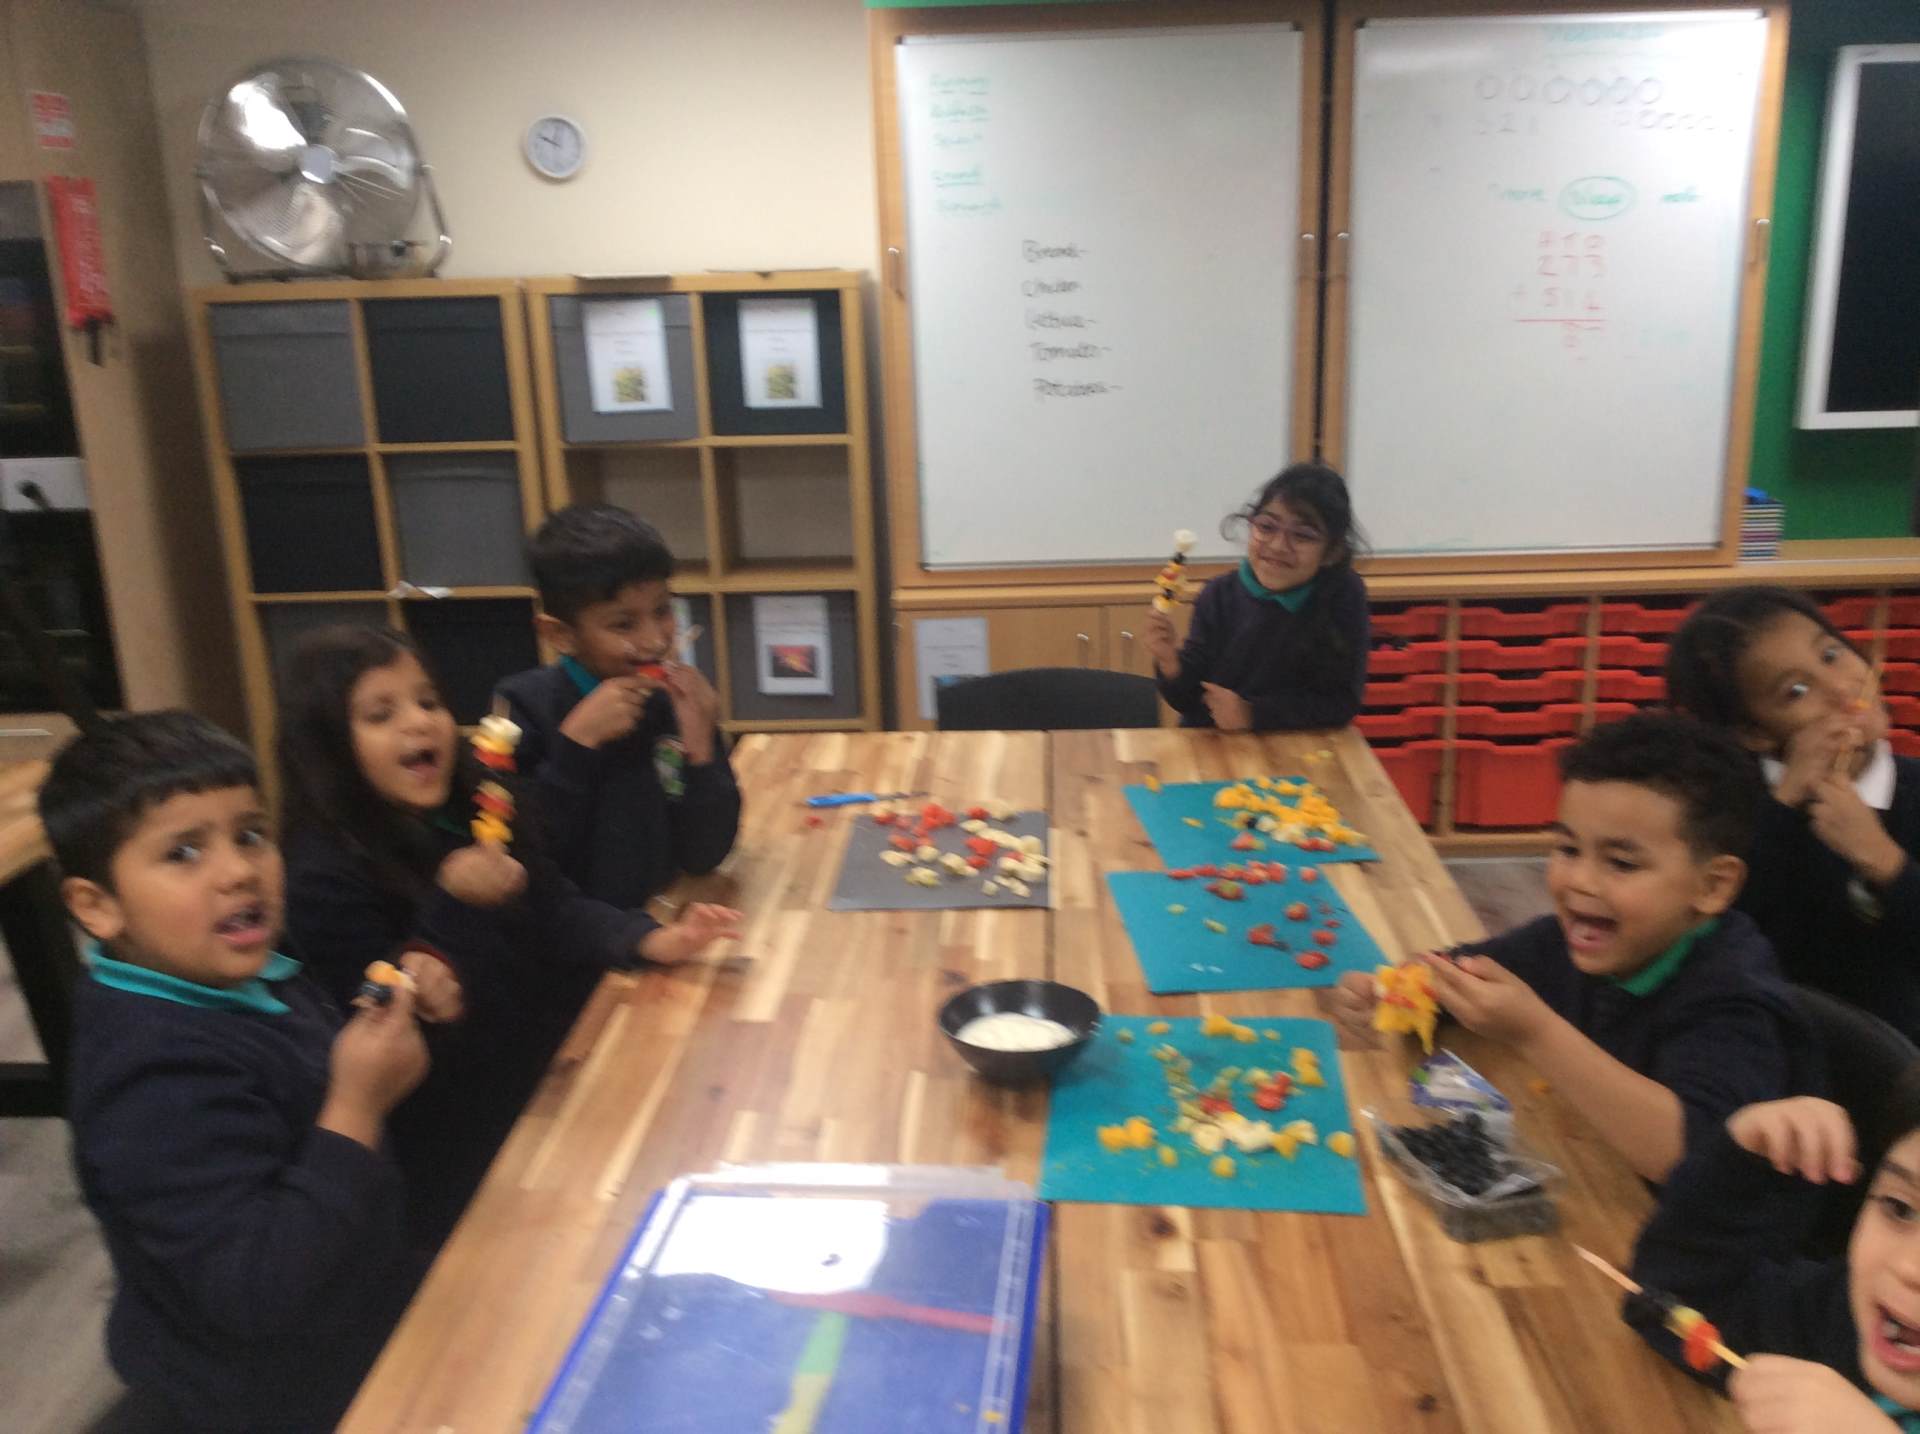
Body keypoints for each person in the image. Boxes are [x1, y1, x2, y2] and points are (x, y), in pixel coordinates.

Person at [276, 623, 739, 1244]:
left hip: (544, 1085)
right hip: (454, 1150)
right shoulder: (321, 875)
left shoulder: (479, 802)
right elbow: (396, 1038)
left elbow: (555, 907)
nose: (418, 724)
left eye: (428, 702)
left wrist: (649, 939)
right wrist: (453, 903)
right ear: (329, 747)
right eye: (381, 714)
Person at [49, 711, 428, 1432]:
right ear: (97, 906)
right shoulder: (148, 1075)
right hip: (271, 1399)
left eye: (250, 835)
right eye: (184, 852)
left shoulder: (244, 973)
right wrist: (356, 1105)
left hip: (358, 1317)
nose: (237, 871)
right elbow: (253, 1290)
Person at [1332, 713, 1814, 1184]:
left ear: (1713, 886)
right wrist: (1397, 993)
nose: (1580, 880)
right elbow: (1459, 974)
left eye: (1621, 863)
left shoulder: (1735, 999)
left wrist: (1535, 1031)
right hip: (1588, 1174)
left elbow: (1684, 1154)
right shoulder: (1562, 942)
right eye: (1568, 850)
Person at [1666, 585, 1920, 1039]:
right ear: (1754, 733)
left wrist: (1884, 861)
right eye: (1797, 691)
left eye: (1831, 655)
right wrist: (1783, 807)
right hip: (1771, 1045)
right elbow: (1707, 940)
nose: (1841, 690)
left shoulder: (1913, 789)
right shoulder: (1731, 811)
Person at [1628, 1077, 1920, 1432]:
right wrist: (1738, 1164)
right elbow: (1668, 1304)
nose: (1909, 1267)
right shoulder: (1841, 1314)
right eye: (1900, 1208)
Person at [497, 503, 739, 909]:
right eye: (623, 624)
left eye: (662, 610)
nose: (655, 641)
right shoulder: (522, 707)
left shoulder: (671, 704)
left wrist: (701, 748)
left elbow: (706, 853)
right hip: (579, 936)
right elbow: (527, 865)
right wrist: (575, 747)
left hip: (665, 917)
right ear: (560, 635)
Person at [1144, 462, 1370, 731]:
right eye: (1266, 526)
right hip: (1215, 744)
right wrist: (1170, 662)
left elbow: (1341, 702)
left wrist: (1253, 714)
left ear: (1332, 553)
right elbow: (1189, 700)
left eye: (1302, 535)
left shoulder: (1342, 596)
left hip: (1298, 745)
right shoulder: (1218, 596)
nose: (1278, 546)